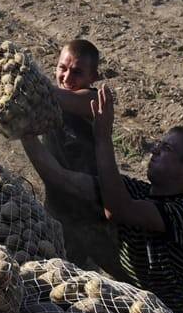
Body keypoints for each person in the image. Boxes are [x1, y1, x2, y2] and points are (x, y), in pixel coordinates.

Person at [22, 86, 183, 313]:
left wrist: (103, 138)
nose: (154, 151)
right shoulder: (135, 191)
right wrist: (24, 132)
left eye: (166, 148)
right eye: (158, 144)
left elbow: (118, 209)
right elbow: (62, 179)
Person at [20, 39, 120, 276]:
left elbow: (53, 96)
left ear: (93, 77)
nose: (66, 78)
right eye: (62, 68)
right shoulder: (50, 99)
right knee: (54, 261)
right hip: (57, 200)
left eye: (77, 72)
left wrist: (20, 79)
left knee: (79, 271)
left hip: (87, 204)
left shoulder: (93, 101)